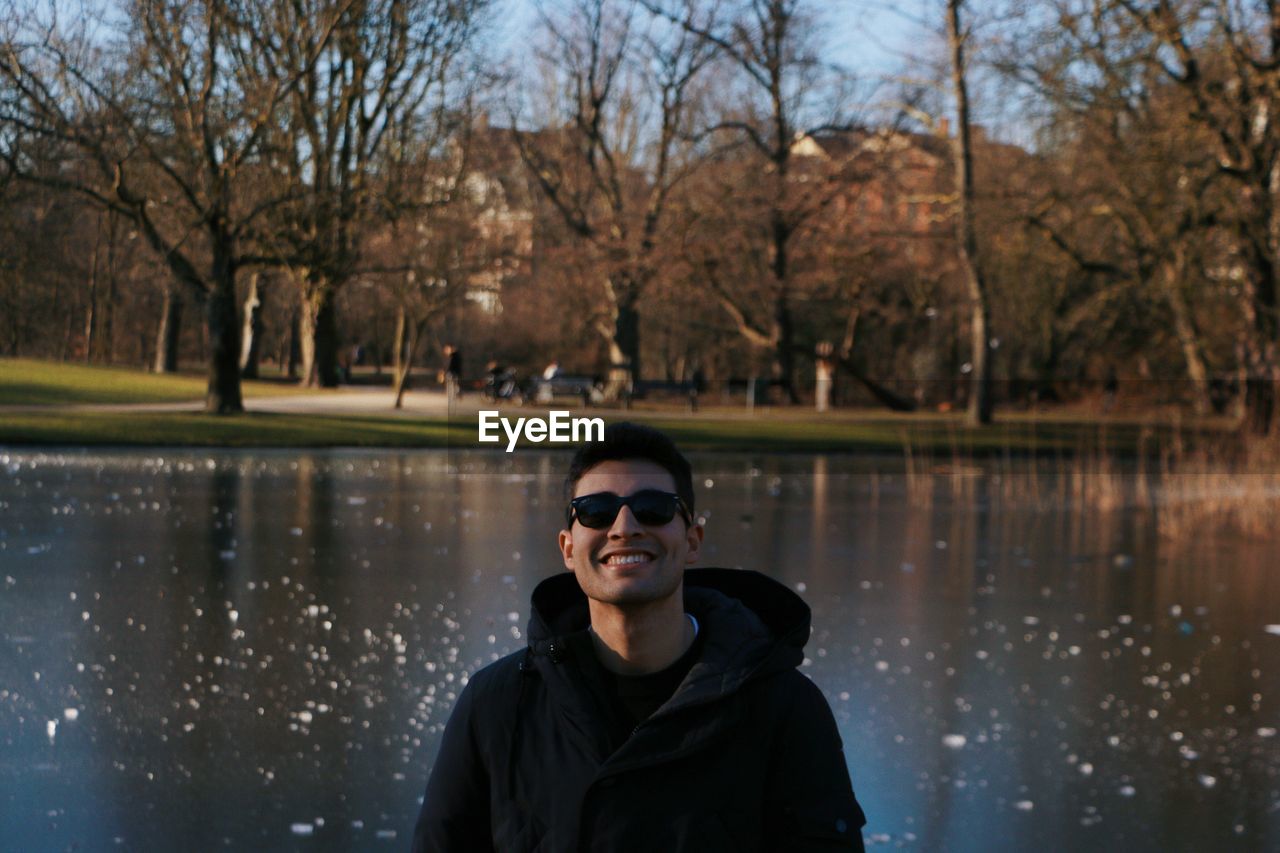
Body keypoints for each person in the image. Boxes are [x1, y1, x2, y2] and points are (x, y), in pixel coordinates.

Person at [413, 423, 867, 852]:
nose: (625, 526)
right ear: (568, 549)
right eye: (595, 511)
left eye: (653, 508)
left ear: (692, 541)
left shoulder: (784, 709)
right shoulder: (496, 705)